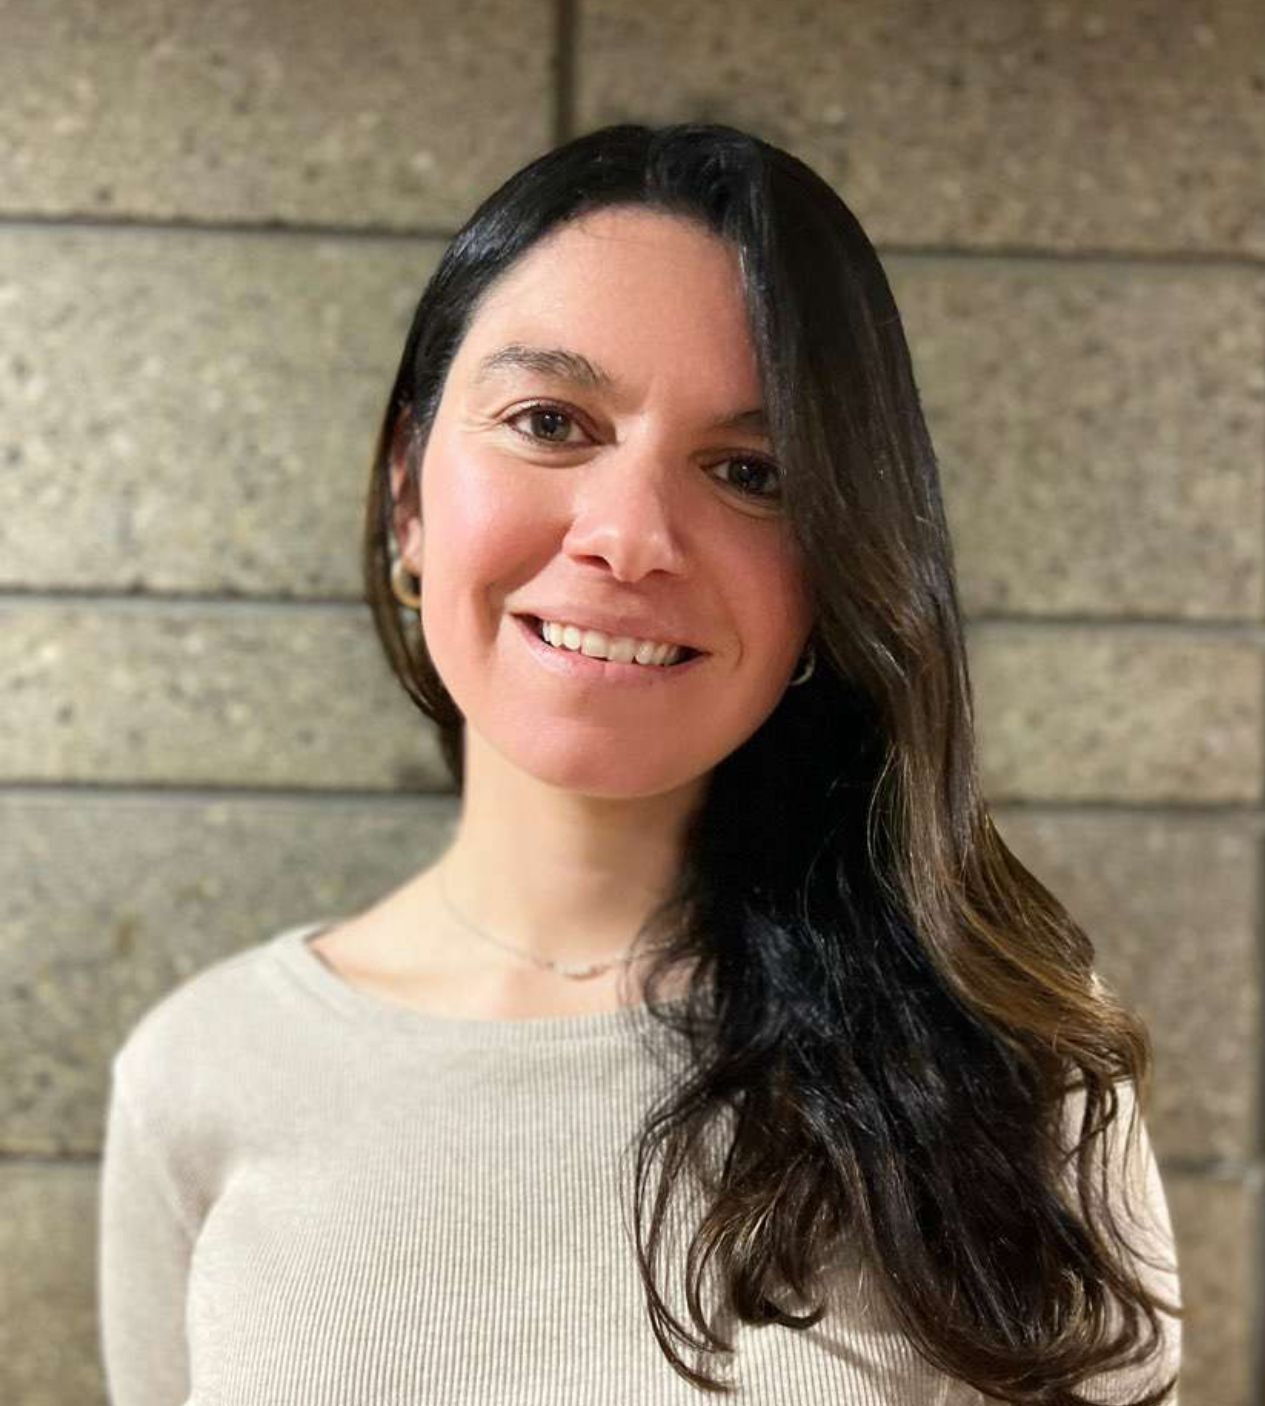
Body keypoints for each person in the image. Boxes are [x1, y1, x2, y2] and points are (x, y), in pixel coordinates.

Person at [97, 123, 1182, 1404]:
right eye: (549, 420)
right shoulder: (206, 1068)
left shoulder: (997, 1056)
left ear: (833, 569)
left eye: (749, 470)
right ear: (407, 494)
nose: (630, 535)